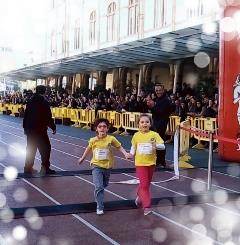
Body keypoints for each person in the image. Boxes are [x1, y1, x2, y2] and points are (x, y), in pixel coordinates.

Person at [78, 118, 129, 215]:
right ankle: (99, 207)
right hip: (96, 166)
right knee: (99, 186)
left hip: (107, 166)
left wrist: (125, 154)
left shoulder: (111, 139)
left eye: (104, 127)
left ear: (107, 128)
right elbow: (88, 149)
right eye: (99, 127)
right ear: (96, 129)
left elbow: (119, 147)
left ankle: (100, 192)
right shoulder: (93, 140)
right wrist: (82, 158)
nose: (102, 128)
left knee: (104, 184)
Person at [129, 114, 165, 215]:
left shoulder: (154, 134)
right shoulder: (136, 135)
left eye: (147, 122)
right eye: (142, 122)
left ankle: (139, 194)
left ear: (150, 124)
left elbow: (162, 146)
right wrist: (131, 154)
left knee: (146, 184)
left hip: (151, 163)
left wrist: (155, 145)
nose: (145, 124)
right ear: (138, 124)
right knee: (144, 185)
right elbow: (133, 147)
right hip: (140, 163)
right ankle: (147, 207)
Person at [23, 85, 56, 175]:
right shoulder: (44, 102)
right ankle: (45, 168)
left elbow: (26, 115)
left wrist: (25, 128)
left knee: (30, 149)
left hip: (30, 129)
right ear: (44, 92)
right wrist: (53, 127)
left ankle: (27, 168)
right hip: (40, 129)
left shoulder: (30, 101)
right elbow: (47, 117)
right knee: (46, 148)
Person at [146, 83, 173, 167]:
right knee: (156, 142)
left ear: (163, 90)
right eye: (156, 90)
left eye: (159, 90)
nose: (158, 92)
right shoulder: (157, 99)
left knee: (160, 142)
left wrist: (152, 107)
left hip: (161, 123)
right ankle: (159, 160)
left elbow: (161, 111)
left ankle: (161, 161)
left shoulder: (166, 100)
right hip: (155, 122)